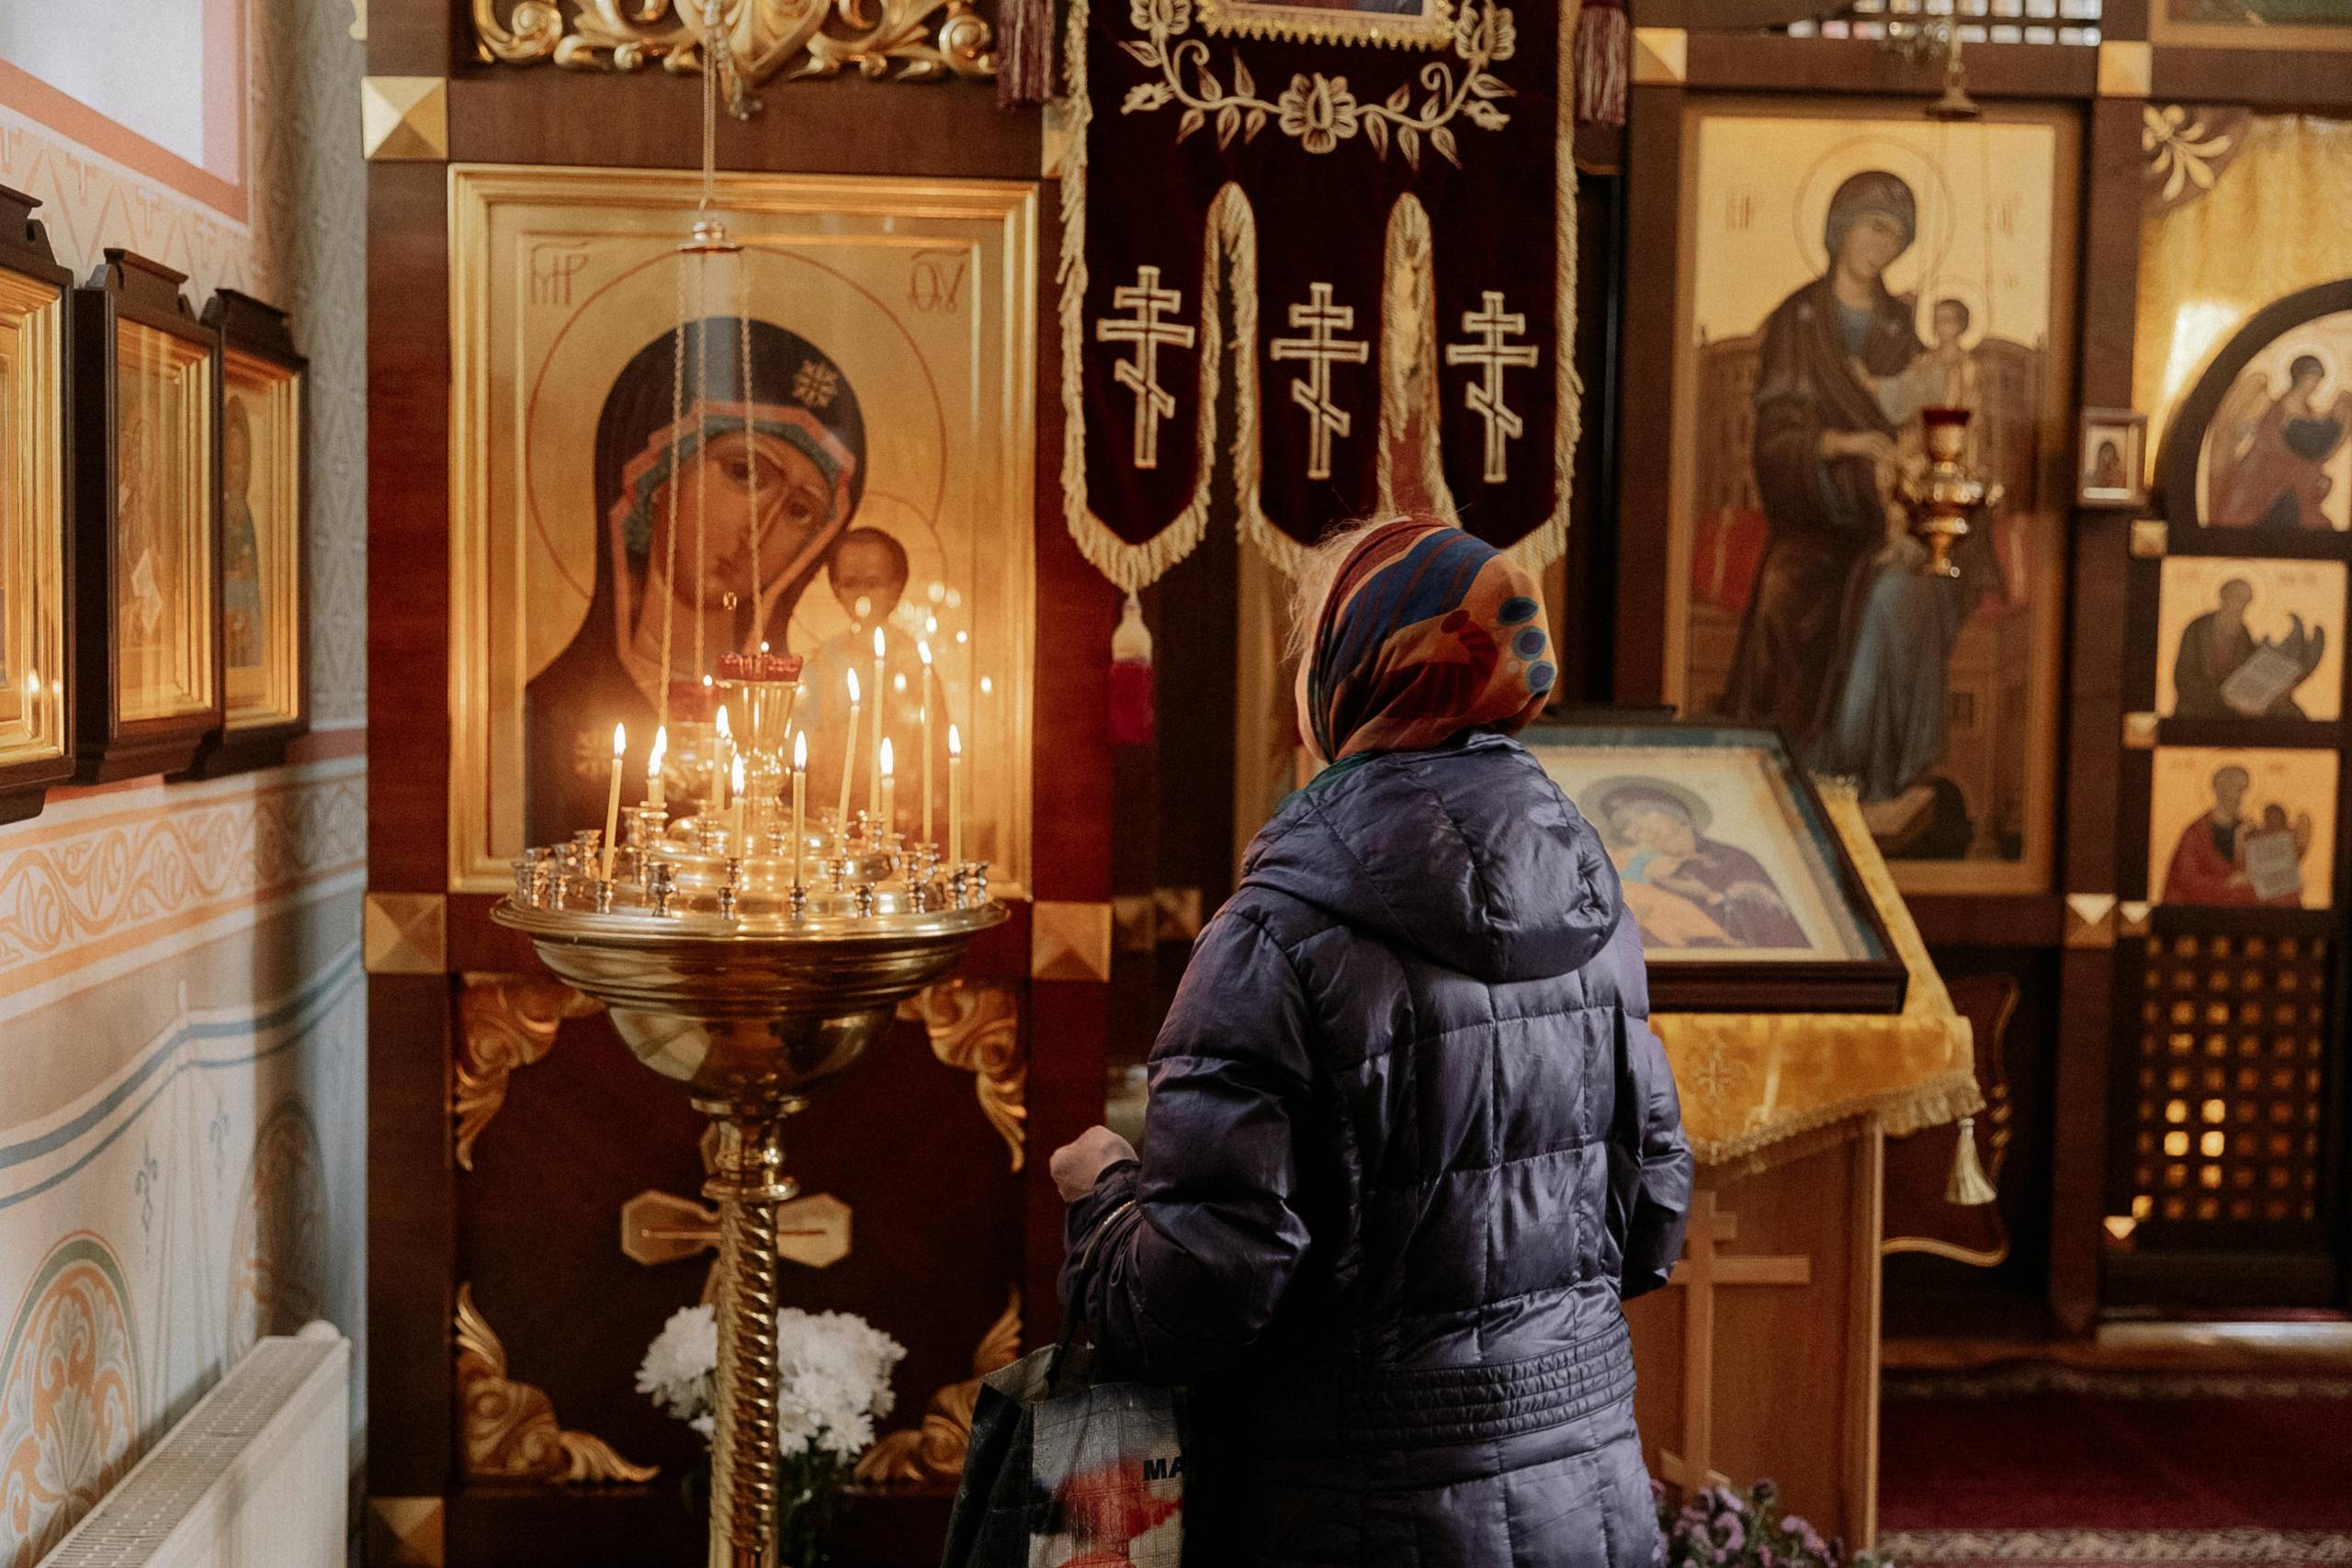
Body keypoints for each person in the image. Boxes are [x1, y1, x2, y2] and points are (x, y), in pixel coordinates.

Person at [1049, 517, 1692, 1568]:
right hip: (1586, 1494)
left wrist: (1103, 1202)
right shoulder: (1595, 909)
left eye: (1312, 647)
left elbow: (1198, 1301)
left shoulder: (1275, 935)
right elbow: (1651, 1222)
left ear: (1360, 671)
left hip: (1354, 1508)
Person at [524, 318, 865, 845]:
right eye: (745, 473)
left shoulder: (799, 718)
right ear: (656, 476)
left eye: (800, 511)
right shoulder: (556, 703)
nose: (761, 530)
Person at [1719, 169, 1925, 752]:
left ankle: (1860, 763)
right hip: (1812, 509)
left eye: (1894, 236)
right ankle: (1768, 754)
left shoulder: (1900, 323)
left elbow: (1919, 407)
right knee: (1784, 591)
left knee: (1901, 595)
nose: (1879, 246)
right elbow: (1776, 433)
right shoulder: (1797, 318)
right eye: (1871, 228)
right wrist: (1844, 443)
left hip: (1885, 504)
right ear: (1841, 228)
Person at [1589, 778, 1808, 950]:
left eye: (1643, 816)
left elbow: (1768, 921)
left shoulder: (1732, 860)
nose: (1640, 831)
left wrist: (1711, 896)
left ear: (1675, 815)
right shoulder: (1645, 865)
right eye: (1630, 829)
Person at [2210, 354, 2352, 530]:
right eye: (2312, 378)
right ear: (2300, 378)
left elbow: (2311, 450)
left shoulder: (2308, 410)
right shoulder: (2280, 409)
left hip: (2291, 484)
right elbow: (2298, 447)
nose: (2315, 384)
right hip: (2267, 483)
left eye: (2318, 380)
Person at [2171, 576, 2325, 719]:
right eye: (2237, 597)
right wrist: (2223, 699)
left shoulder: (2243, 632)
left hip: (2243, 698)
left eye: (2246, 599)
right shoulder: (2198, 628)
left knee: (2293, 714)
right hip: (2206, 700)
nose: (2241, 604)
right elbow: (2184, 677)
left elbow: (2254, 668)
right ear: (2223, 596)